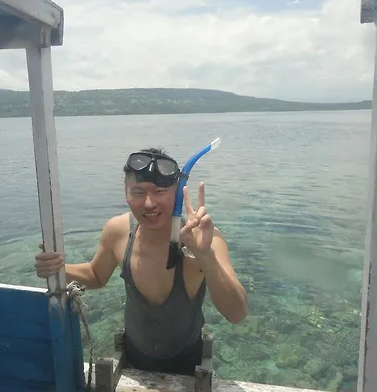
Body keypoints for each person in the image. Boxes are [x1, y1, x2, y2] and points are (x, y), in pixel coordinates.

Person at [35, 147, 247, 376]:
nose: (149, 203)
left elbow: (236, 314)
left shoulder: (203, 239)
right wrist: (60, 268)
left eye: (159, 191)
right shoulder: (118, 231)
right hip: (132, 358)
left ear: (177, 192)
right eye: (138, 192)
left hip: (188, 363)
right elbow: (96, 276)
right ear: (126, 193)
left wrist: (205, 255)